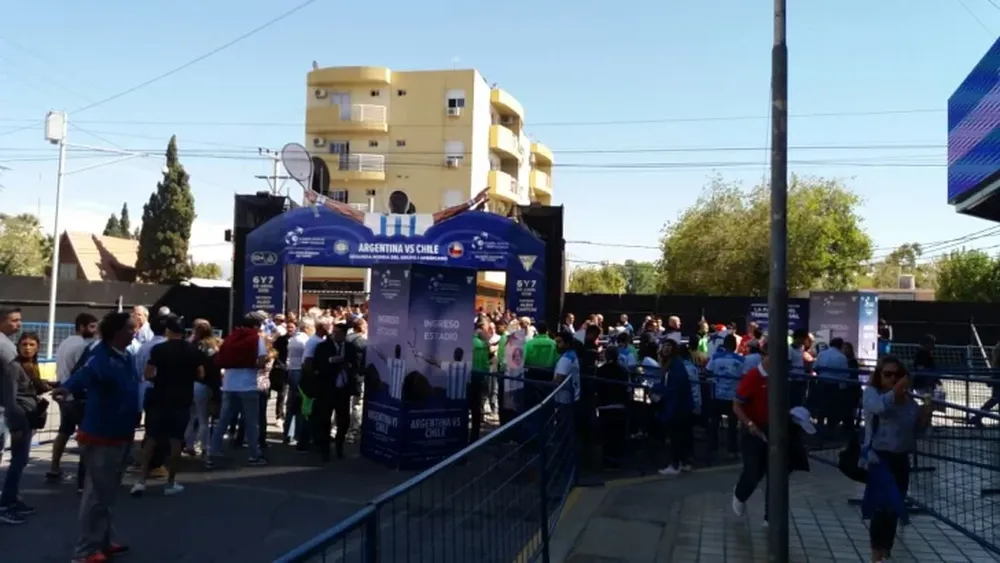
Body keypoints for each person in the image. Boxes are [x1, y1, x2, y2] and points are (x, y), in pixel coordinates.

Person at [55, 311, 140, 562]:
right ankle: (86, 551)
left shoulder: (125, 356)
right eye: (130, 328)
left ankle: (103, 540)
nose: (134, 332)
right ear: (116, 331)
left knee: (108, 493)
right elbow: (83, 376)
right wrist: (66, 388)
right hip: (102, 434)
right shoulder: (100, 356)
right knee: (96, 494)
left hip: (121, 432)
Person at [861, 356, 934, 563]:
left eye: (897, 375)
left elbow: (917, 431)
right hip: (879, 457)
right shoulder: (873, 394)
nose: (893, 378)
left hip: (901, 458)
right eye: (888, 374)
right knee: (880, 506)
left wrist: (925, 417)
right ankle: (876, 552)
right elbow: (878, 408)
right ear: (879, 376)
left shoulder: (909, 402)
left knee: (895, 505)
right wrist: (895, 392)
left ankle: (886, 549)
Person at [132, 315, 204, 497]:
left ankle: (141, 480)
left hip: (159, 396)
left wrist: (160, 379)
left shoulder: (158, 350)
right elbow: (200, 373)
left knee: (151, 439)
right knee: (175, 441)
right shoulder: (192, 350)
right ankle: (170, 482)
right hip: (182, 398)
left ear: (168, 331)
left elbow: (148, 374)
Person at [208, 312, 269, 467]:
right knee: (251, 421)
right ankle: (254, 454)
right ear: (257, 326)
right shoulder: (257, 339)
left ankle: (213, 451)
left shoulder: (230, 337)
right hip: (248, 385)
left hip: (229, 384)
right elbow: (261, 361)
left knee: (223, 420)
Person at [0, 306, 42, 525]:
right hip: (15, 415)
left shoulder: (23, 361)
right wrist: (15, 421)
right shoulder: (8, 354)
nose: (19, 324)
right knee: (17, 460)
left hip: (19, 414)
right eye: (15, 320)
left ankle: (11, 499)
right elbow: (10, 394)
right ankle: (6, 504)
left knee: (20, 459)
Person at [48, 313, 99, 486]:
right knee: (85, 436)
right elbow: (82, 373)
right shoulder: (83, 346)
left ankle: (54, 467)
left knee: (64, 431)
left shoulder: (66, 342)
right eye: (92, 326)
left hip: (64, 395)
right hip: (77, 396)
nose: (95, 330)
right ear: (82, 327)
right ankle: (82, 479)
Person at [655, 340, 696, 476]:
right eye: (664, 346)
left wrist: (658, 388)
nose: (666, 348)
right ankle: (684, 463)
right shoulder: (671, 363)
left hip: (678, 405)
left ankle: (675, 464)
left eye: (669, 346)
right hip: (679, 404)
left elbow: (675, 387)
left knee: (676, 436)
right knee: (681, 435)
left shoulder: (675, 364)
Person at [310, 323, 349, 461]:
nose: (338, 336)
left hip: (343, 389)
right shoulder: (323, 347)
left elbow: (355, 364)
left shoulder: (349, 347)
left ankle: (339, 448)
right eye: (336, 333)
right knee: (325, 420)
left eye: (341, 334)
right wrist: (330, 361)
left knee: (344, 421)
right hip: (327, 389)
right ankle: (324, 450)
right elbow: (316, 365)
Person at [596, 345, 630, 469]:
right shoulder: (623, 370)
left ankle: (607, 461)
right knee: (618, 435)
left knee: (607, 435)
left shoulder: (601, 370)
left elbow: (598, 387)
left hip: (605, 406)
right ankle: (616, 460)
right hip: (619, 406)